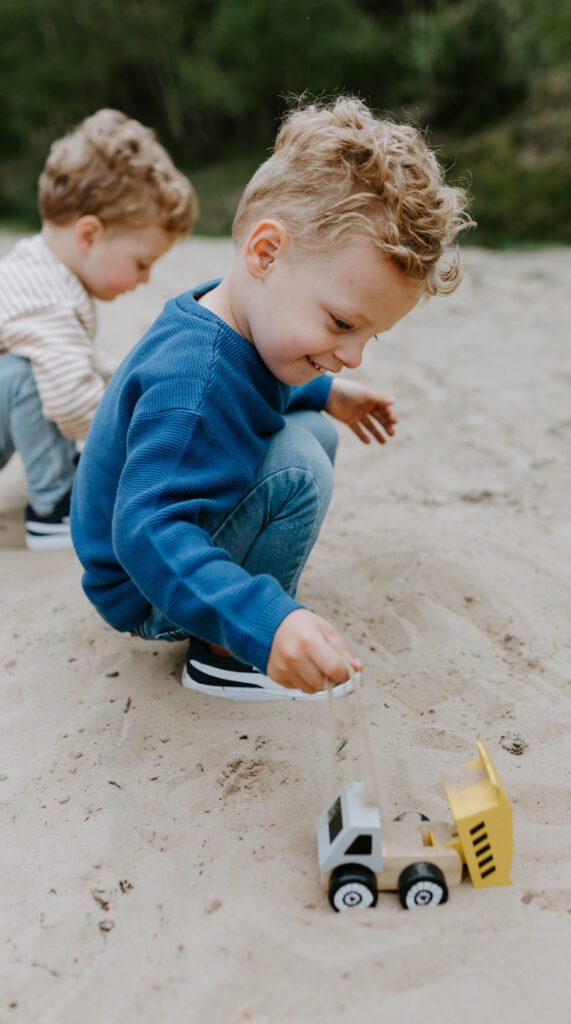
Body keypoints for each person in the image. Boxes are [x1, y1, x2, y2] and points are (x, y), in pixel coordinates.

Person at [71, 96, 471, 701]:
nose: (355, 352)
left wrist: (327, 389)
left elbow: (259, 382)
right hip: (144, 589)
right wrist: (267, 621)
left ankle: (244, 614)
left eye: (370, 336)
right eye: (341, 323)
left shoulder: (236, 318)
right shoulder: (194, 382)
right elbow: (147, 530)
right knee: (299, 467)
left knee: (318, 431)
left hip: (152, 559)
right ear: (266, 253)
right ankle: (226, 652)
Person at [0, 109, 197, 549]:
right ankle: (53, 508)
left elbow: (82, 360)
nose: (145, 278)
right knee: (31, 372)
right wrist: (133, 446)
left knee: (51, 365)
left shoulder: (44, 270)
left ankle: (60, 471)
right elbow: (72, 400)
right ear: (89, 236)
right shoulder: (44, 296)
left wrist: (128, 384)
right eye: (141, 263)